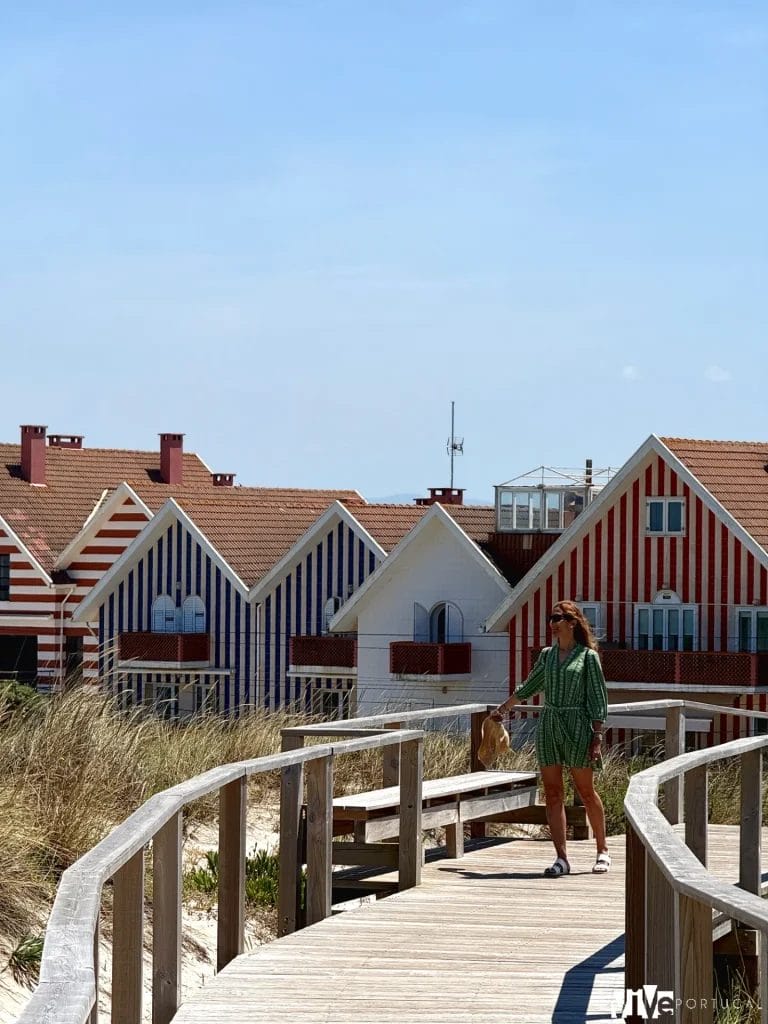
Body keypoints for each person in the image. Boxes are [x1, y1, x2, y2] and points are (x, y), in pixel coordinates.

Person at [491, 600, 610, 877]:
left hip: (578, 724)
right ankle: (561, 858)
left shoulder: (587, 657)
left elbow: (597, 697)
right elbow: (530, 686)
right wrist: (503, 709)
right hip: (550, 724)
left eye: (558, 618)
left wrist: (597, 735)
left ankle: (602, 850)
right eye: (550, 618)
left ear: (571, 622)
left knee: (586, 792)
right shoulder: (547, 655)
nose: (552, 623)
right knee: (554, 793)